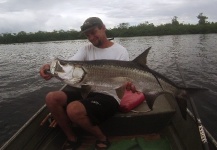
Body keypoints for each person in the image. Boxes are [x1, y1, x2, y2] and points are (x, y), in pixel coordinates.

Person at [39, 17, 129, 150]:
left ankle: (102, 138)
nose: (91, 38)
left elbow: (125, 80)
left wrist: (128, 84)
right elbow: (69, 65)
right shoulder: (86, 49)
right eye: (88, 35)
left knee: (73, 109)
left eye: (93, 32)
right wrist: (49, 67)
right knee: (51, 98)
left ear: (103, 27)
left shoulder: (120, 51)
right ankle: (72, 138)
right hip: (86, 89)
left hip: (109, 95)